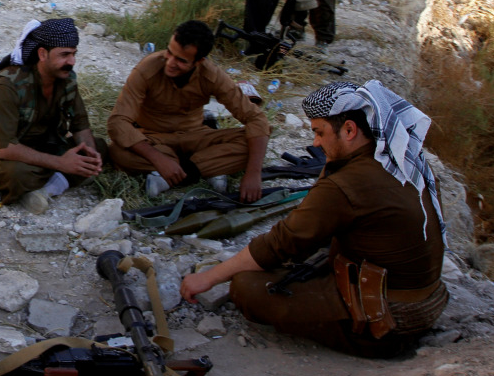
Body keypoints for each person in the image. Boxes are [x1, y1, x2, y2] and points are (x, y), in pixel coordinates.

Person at [180, 80, 449, 358]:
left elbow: (280, 243)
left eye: (320, 133)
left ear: (349, 130)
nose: (315, 143)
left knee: (247, 286)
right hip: (427, 300)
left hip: (388, 320)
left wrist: (209, 278)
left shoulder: (347, 185)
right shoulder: (404, 157)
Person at [107, 20, 270, 201]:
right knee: (118, 151)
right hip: (154, 138)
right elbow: (118, 122)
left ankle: (170, 176)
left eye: (181, 60)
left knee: (253, 143)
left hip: (196, 136)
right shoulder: (147, 69)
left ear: (199, 61)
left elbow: (256, 119)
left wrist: (254, 173)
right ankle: (208, 168)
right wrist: (157, 158)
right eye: (169, 52)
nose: (170, 62)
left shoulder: (212, 75)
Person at [0, 18, 104, 214]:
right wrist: (61, 163)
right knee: (15, 175)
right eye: (64, 54)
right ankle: (57, 180)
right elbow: (5, 149)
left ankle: (46, 187)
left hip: (46, 146)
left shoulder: (66, 79)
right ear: (42, 54)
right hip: (5, 153)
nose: (71, 61)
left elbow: (80, 125)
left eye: (73, 54)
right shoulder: (8, 85)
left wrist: (88, 153)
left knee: (100, 147)